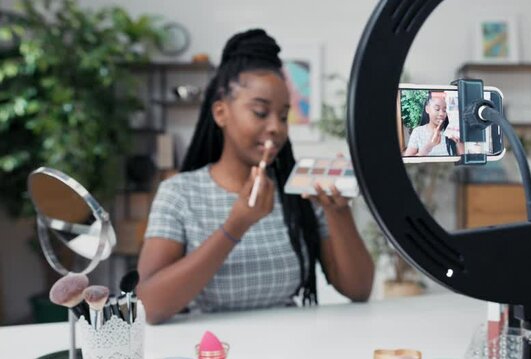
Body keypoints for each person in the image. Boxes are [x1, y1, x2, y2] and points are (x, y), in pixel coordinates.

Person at [136, 29, 374, 324]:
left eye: (284, 115)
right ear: (221, 113)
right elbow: (150, 306)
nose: (276, 127)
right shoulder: (179, 193)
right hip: (210, 349)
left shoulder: (298, 191)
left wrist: (338, 212)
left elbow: (359, 289)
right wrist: (236, 226)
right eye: (261, 113)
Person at [403, 92, 460, 156]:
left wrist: (458, 143)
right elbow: (408, 160)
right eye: (437, 109)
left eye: (444, 110)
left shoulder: (450, 132)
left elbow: (461, 159)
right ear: (427, 109)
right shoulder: (418, 132)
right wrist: (430, 145)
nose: (441, 114)